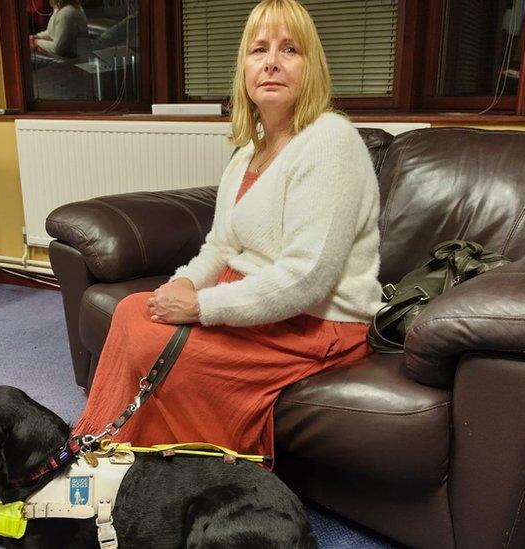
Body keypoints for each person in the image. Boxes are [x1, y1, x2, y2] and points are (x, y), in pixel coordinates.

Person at [73, 0, 382, 465]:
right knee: (133, 310)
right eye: (259, 50)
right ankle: (102, 453)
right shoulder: (246, 154)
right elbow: (220, 246)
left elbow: (306, 278)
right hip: (259, 306)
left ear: (310, 66)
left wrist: (201, 305)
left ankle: (143, 466)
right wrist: (183, 282)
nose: (272, 62)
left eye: (290, 49)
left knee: (149, 339)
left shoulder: (330, 139)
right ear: (244, 68)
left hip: (318, 323)